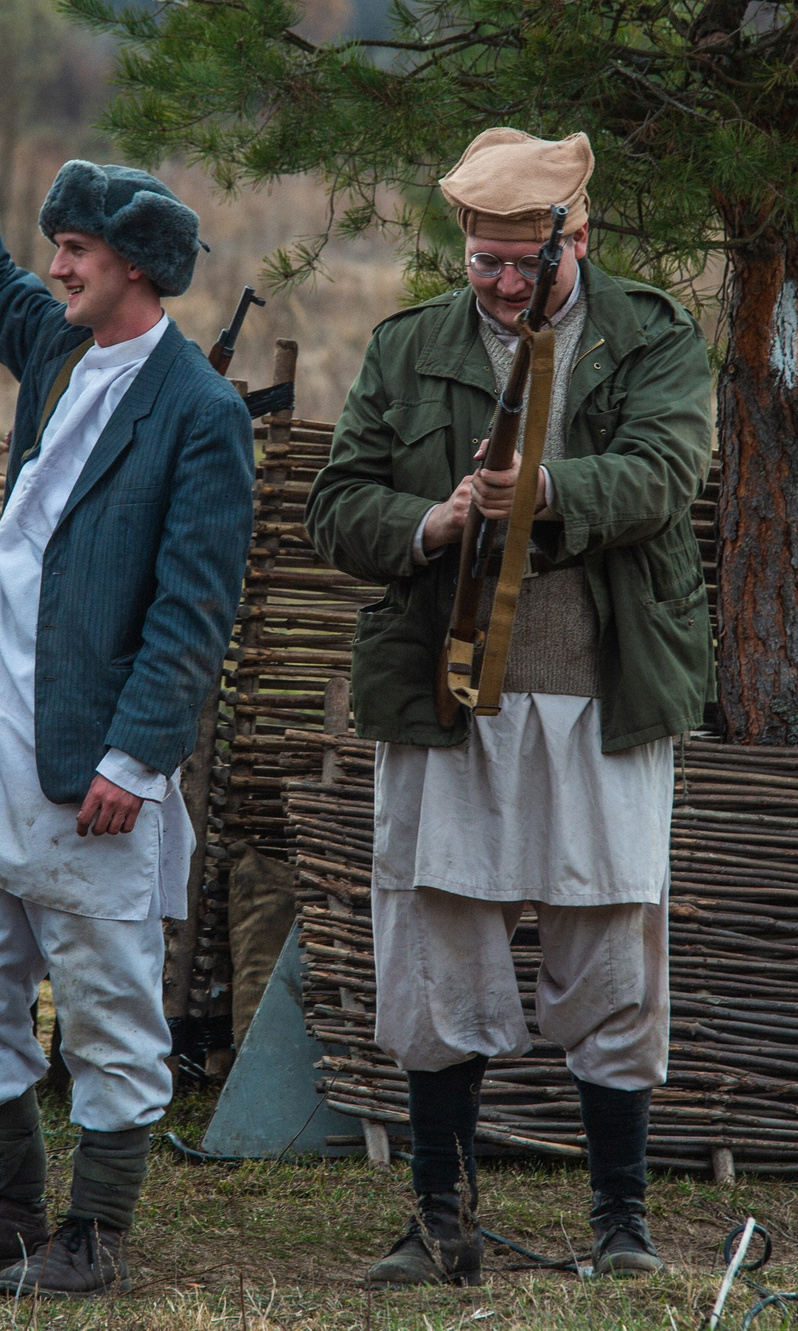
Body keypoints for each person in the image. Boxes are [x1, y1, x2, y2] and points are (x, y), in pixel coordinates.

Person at [305, 128, 714, 1285]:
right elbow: (337, 505)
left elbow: (666, 472)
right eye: (480, 261)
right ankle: (442, 1222)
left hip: (602, 692)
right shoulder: (410, 347)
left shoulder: (650, 337)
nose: (498, 284)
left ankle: (621, 1226)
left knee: (613, 946)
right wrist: (429, 524)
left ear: (578, 237)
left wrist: (546, 491)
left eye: (522, 263)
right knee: (437, 948)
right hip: (447, 700)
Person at [0, 124, 252, 1297]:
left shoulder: (198, 411)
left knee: (103, 993)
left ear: (134, 266)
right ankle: (5, 1207)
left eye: (76, 251)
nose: (56, 269)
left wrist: (137, 758)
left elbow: (193, 610)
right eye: (56, 246)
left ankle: (93, 1232)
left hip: (88, 755)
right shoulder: (59, 345)